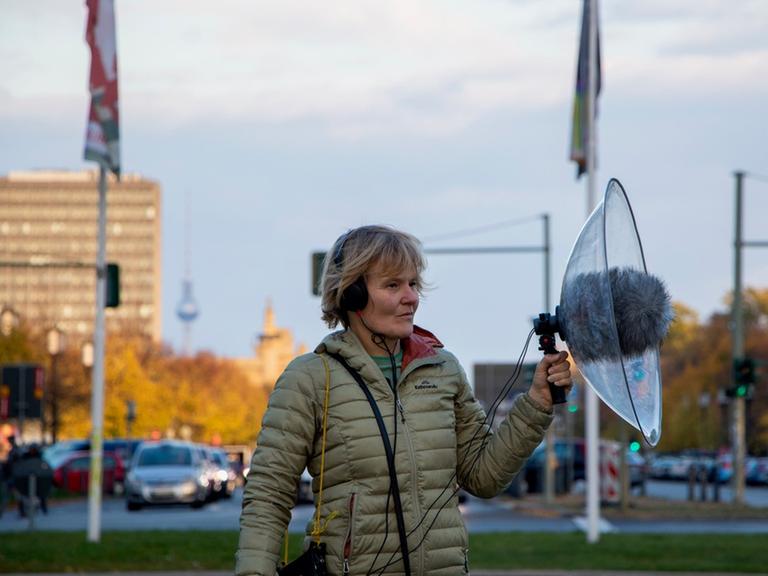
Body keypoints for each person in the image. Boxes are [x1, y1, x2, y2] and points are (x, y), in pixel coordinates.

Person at [237, 225, 572, 576]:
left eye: (413, 284)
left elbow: (484, 477)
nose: (411, 297)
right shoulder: (310, 378)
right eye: (393, 285)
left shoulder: (443, 369)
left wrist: (536, 403)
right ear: (352, 294)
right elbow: (268, 495)